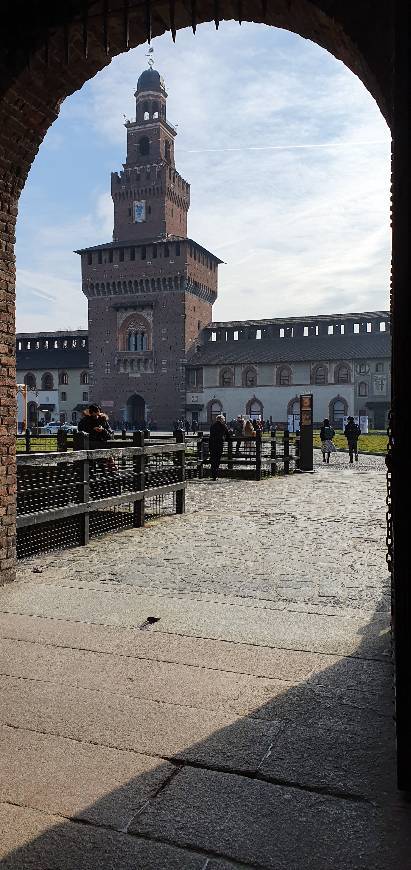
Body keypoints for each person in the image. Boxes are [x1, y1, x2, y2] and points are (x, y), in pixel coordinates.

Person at [209, 414, 229, 480]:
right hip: (219, 444)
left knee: (213, 460)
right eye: (223, 420)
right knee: (217, 460)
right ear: (221, 420)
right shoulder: (223, 426)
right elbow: (228, 435)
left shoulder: (212, 426)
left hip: (212, 444)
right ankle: (215, 475)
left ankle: (213, 474)